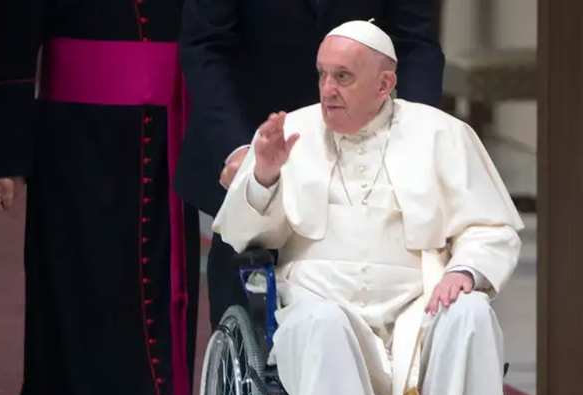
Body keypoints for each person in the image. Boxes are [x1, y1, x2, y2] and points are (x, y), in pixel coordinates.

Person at [212, 21, 524, 395]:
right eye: (322, 76)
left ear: (385, 84)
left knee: (470, 313)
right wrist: (264, 175)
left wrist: (465, 270)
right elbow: (246, 238)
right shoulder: (292, 133)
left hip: (418, 307)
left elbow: (491, 226)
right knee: (323, 324)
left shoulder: (443, 134)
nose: (327, 90)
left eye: (343, 77)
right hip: (321, 303)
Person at [0, 0, 199, 395]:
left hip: (166, 140)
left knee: (163, 293)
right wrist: (5, 159)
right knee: (90, 294)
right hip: (78, 142)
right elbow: (14, 41)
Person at [176, 0, 445, 331]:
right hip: (252, 130)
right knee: (245, 277)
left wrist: (412, 134)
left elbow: (416, 44)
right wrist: (239, 151)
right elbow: (206, 46)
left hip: (364, 142)